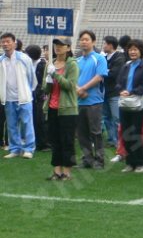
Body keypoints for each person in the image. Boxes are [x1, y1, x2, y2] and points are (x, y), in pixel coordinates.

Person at [115, 39, 143, 173]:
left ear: (141, 51)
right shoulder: (126, 65)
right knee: (125, 132)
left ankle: (140, 163)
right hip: (124, 103)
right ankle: (129, 162)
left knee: (136, 133)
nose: (132, 52)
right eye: (130, 49)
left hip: (137, 103)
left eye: (135, 49)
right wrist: (121, 90)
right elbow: (119, 81)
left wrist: (131, 92)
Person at [43, 38, 79, 181]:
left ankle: (67, 171)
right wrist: (48, 82)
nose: (58, 48)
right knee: (55, 140)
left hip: (67, 109)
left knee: (67, 140)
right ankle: (56, 170)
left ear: (68, 47)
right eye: (56, 45)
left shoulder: (72, 65)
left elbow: (70, 85)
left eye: (61, 45)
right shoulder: (50, 64)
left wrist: (55, 74)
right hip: (53, 107)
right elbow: (45, 89)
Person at [0, 32, 38, 159]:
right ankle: (15, 148)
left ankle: (29, 148)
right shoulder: (1, 60)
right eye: (3, 42)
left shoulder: (24, 58)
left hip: (24, 97)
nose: (5, 44)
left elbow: (32, 77)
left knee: (27, 123)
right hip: (8, 98)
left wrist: (28, 91)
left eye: (8, 41)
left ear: (14, 43)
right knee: (11, 125)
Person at [75, 30, 108, 170]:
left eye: (87, 39)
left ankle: (99, 160)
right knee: (82, 134)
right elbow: (72, 78)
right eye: (82, 39)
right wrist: (78, 89)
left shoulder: (99, 58)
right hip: (79, 101)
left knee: (95, 132)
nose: (84, 42)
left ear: (93, 42)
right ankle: (87, 159)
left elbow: (100, 76)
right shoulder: (77, 60)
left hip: (94, 101)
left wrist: (83, 89)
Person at [102, 35, 125, 149]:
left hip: (115, 93)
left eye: (105, 44)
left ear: (110, 45)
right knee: (106, 117)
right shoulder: (105, 58)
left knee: (116, 118)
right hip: (105, 92)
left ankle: (118, 141)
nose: (103, 46)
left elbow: (113, 74)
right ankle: (112, 139)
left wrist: (104, 71)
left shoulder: (119, 58)